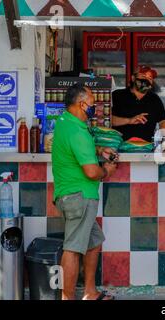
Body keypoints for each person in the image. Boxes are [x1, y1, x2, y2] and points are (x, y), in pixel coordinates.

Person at [52, 84, 118, 300]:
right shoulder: (77, 131)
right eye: (92, 101)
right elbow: (91, 172)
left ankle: (90, 292)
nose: (95, 106)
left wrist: (99, 150)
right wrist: (106, 170)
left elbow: (80, 148)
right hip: (79, 197)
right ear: (81, 104)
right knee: (72, 248)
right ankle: (67, 297)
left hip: (73, 194)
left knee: (94, 242)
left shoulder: (66, 122)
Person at [112, 66, 165, 142]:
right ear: (133, 78)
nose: (146, 80)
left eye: (150, 78)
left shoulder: (154, 99)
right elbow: (106, 120)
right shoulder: (117, 95)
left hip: (146, 148)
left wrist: (164, 142)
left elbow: (163, 121)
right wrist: (129, 120)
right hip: (119, 148)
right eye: (143, 76)